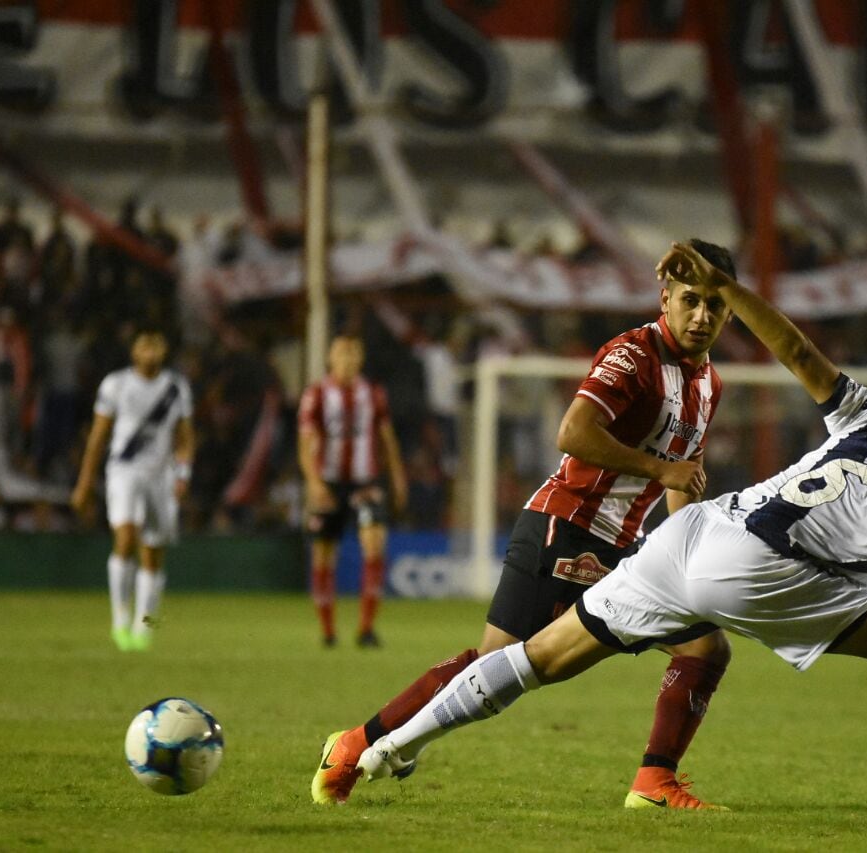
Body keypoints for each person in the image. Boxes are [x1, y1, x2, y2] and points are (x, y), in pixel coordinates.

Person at [351, 243, 867, 837]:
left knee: (537, 657)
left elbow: (792, 347)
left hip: (694, 530)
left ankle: (389, 748)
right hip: (758, 567)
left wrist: (732, 283)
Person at [313, 239, 737, 810]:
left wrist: (682, 550)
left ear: (731, 312)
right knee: (495, 666)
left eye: (716, 305)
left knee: (705, 647)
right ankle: (356, 744)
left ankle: (654, 782)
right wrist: (662, 468)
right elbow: (573, 433)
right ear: (665, 297)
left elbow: (681, 480)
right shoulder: (632, 355)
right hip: (564, 527)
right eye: (691, 300)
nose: (702, 315)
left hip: (623, 547)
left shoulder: (710, 383)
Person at [72, 326, 194, 651]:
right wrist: (84, 482)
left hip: (161, 476)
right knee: (126, 536)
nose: (151, 349)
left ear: (165, 350)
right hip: (123, 471)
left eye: (157, 343)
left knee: (153, 553)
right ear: (134, 352)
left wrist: (183, 474)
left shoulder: (176, 387)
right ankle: (119, 620)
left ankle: (145, 626)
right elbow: (98, 437)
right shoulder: (116, 384)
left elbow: (184, 438)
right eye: (144, 344)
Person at [298, 335, 408, 648]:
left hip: (365, 482)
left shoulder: (372, 393)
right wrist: (314, 482)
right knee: (322, 555)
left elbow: (387, 438)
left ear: (360, 359)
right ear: (331, 358)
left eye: (352, 353)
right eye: (341, 353)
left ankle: (366, 629)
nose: (347, 360)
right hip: (328, 482)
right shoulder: (316, 394)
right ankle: (328, 631)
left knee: (374, 546)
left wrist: (398, 477)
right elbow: (305, 445)